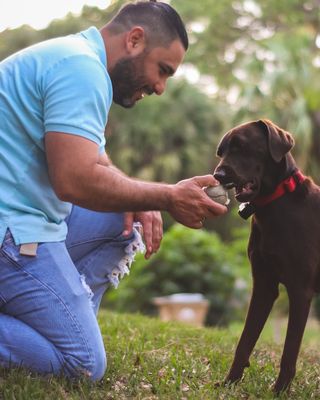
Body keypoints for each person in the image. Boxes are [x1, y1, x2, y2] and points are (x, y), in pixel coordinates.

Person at [0, 0, 227, 380]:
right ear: (135, 40)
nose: (160, 87)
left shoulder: (75, 57)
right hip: (11, 234)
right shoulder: (80, 69)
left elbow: (97, 161)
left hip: (23, 224)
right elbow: (73, 179)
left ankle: (53, 321)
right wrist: (167, 196)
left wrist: (146, 198)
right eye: (163, 70)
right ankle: (59, 333)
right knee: (85, 364)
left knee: (121, 223)